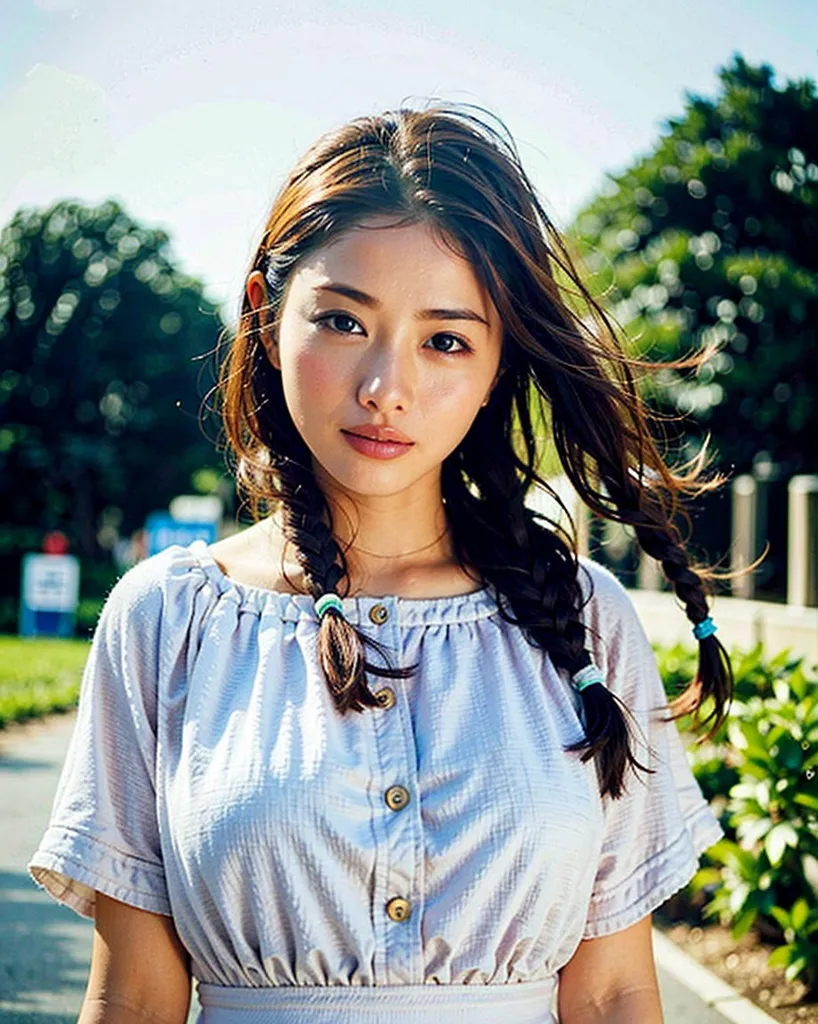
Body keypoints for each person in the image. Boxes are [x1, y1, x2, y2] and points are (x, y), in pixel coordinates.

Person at [28, 103, 737, 1024]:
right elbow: (130, 998)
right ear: (267, 315)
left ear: (496, 367)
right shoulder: (167, 619)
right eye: (342, 320)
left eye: (446, 339)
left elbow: (611, 994)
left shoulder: (584, 619)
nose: (384, 390)